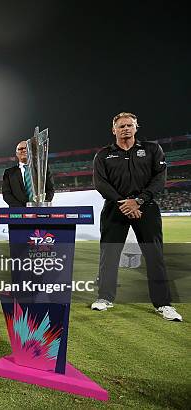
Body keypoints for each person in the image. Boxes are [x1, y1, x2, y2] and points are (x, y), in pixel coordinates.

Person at [91, 112, 182, 321]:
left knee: (154, 256)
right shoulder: (104, 154)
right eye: (121, 126)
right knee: (109, 255)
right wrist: (124, 203)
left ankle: (163, 304)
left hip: (146, 208)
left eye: (129, 125)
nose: (125, 129)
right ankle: (105, 297)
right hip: (115, 208)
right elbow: (100, 183)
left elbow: (160, 178)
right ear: (114, 130)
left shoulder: (151, 149)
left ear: (136, 127)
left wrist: (139, 200)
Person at [2, 140, 54, 207]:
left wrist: (43, 204)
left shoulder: (43, 169)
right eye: (20, 149)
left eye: (27, 148)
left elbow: (50, 189)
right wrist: (22, 209)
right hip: (18, 212)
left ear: (32, 151)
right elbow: (6, 194)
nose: (23, 150)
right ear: (16, 153)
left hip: (40, 210)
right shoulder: (9, 173)